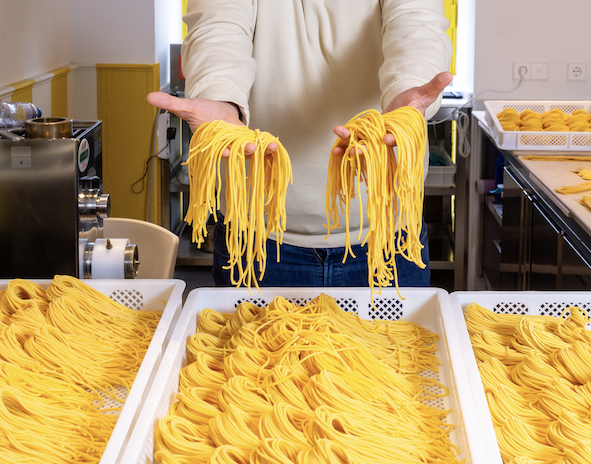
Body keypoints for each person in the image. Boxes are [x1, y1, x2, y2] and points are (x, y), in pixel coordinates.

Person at [148, 0, 453, 288]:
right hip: (256, 239)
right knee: (248, 344)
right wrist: (219, 95)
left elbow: (416, 23)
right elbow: (218, 27)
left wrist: (409, 88)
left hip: (387, 235)